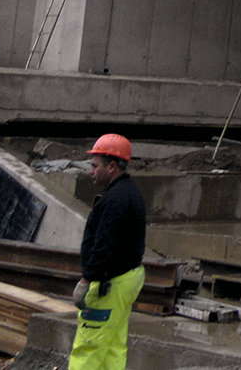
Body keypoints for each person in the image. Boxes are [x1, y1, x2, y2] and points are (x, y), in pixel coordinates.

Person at [70, 133, 147, 370]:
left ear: (112, 166)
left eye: (95, 166)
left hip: (109, 283)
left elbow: (105, 245)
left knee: (88, 346)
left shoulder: (116, 200)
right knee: (112, 347)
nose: (91, 171)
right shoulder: (129, 193)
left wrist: (86, 280)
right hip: (126, 279)